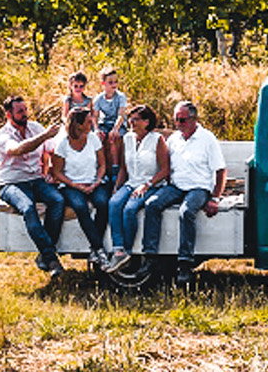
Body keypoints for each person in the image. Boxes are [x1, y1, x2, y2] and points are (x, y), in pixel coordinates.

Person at [140, 100, 226, 286]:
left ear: (194, 119)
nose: (178, 124)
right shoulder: (174, 139)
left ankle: (185, 263)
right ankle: (150, 257)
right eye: (176, 120)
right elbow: (165, 165)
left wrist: (215, 198)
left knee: (186, 212)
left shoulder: (207, 139)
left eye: (182, 120)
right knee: (152, 204)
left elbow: (220, 170)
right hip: (176, 186)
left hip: (199, 187)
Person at [0, 95, 66, 277]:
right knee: (27, 208)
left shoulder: (35, 127)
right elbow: (18, 149)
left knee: (58, 200)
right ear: (9, 115)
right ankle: (51, 259)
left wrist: (53, 170)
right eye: (20, 111)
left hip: (36, 179)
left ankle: (44, 254)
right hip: (11, 182)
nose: (25, 114)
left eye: (25, 110)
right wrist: (45, 136)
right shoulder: (3, 134)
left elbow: (53, 148)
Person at [103, 103, 170, 272]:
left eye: (136, 119)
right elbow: (124, 167)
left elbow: (165, 170)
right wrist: (117, 186)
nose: (131, 122)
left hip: (151, 184)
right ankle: (118, 250)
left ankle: (127, 249)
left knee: (130, 209)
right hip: (131, 182)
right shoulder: (127, 139)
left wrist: (147, 185)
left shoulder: (157, 140)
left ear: (147, 122)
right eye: (130, 119)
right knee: (114, 203)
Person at [49, 108, 111, 266]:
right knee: (80, 206)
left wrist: (97, 181)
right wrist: (74, 185)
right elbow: (57, 172)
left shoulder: (93, 139)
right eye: (89, 121)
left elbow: (102, 164)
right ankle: (99, 248)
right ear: (78, 125)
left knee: (103, 203)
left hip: (93, 181)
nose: (92, 123)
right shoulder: (63, 144)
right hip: (71, 184)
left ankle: (94, 251)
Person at [93, 66, 129, 182]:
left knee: (113, 138)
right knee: (98, 138)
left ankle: (115, 169)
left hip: (118, 124)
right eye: (110, 82)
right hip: (105, 123)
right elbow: (95, 116)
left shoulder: (120, 97)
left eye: (116, 82)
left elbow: (121, 115)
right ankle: (101, 168)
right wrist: (97, 129)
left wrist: (115, 129)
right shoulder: (99, 99)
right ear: (103, 83)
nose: (114, 85)